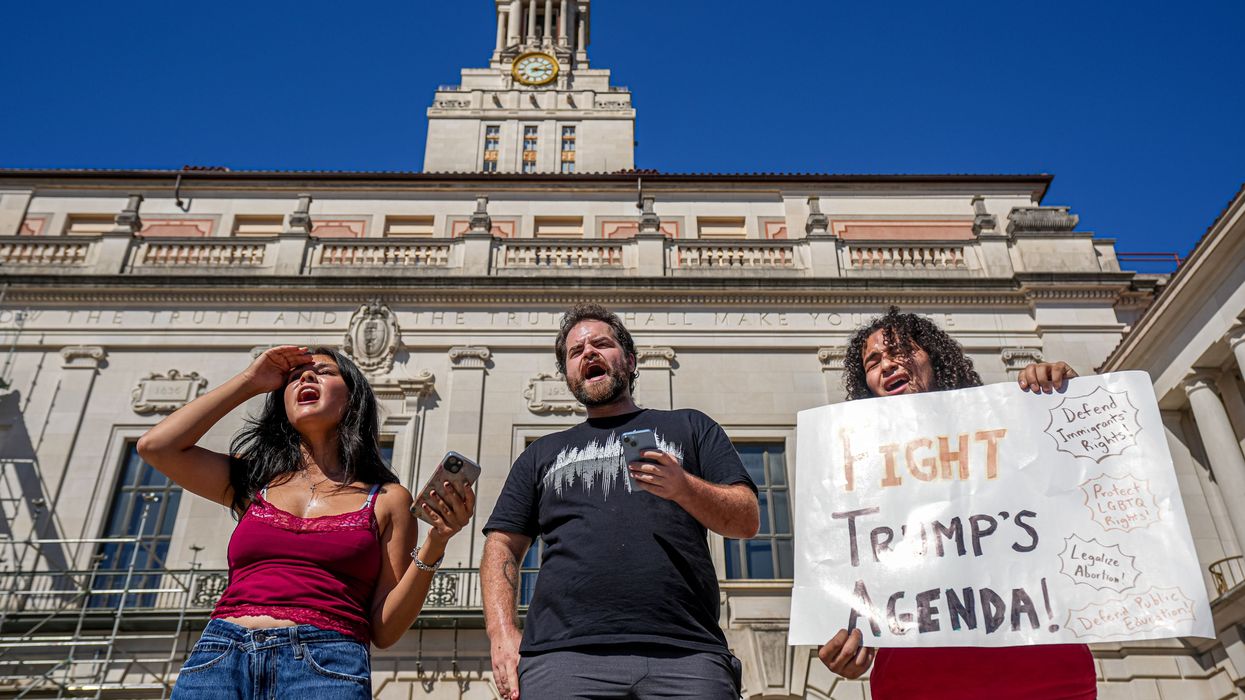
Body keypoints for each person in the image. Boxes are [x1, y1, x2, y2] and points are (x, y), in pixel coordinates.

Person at [138, 345, 475, 698]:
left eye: (325, 372)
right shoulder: (255, 479)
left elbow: (385, 630)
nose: (307, 377)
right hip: (222, 654)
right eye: (295, 377)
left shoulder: (389, 500)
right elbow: (156, 447)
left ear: (353, 399)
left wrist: (437, 542)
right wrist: (250, 382)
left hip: (326, 663)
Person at [481, 303, 760, 700]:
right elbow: (501, 546)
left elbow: (746, 518)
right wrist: (502, 635)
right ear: (569, 376)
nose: (588, 354)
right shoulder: (541, 453)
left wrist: (684, 487)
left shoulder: (690, 426)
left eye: (601, 344)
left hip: (685, 655)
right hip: (562, 658)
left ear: (629, 360)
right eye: (576, 353)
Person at [816, 307, 1096, 699]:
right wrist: (843, 641)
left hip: (1042, 671)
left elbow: (1085, 483)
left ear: (934, 358)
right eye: (873, 361)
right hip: (917, 682)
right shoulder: (856, 473)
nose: (887, 364)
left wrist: (1067, 399)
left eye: (901, 350)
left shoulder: (1012, 426)